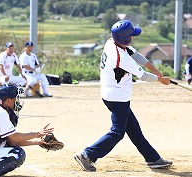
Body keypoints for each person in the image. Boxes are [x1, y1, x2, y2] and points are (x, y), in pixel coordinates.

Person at [74, 20, 173, 172]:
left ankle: (153, 158)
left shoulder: (113, 42)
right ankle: (87, 154)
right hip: (117, 98)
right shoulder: (120, 56)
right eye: (132, 35)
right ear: (125, 39)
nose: (134, 37)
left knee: (134, 130)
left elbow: (136, 55)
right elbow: (143, 76)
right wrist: (161, 80)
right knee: (117, 133)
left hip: (114, 94)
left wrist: (156, 70)